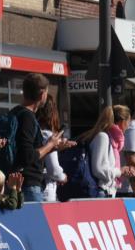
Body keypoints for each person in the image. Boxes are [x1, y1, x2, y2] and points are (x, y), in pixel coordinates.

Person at [12, 73, 72, 202]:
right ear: (42, 94)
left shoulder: (14, 112)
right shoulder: (28, 117)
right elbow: (28, 156)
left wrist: (53, 148)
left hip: (16, 181)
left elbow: (25, 150)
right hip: (28, 184)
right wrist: (50, 144)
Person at [79, 107, 121, 198]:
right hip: (100, 192)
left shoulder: (108, 139)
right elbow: (99, 169)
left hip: (104, 191)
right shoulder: (103, 137)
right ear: (122, 122)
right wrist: (119, 171)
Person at [36, 95, 67, 202]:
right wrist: (63, 177)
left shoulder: (33, 132)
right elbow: (53, 170)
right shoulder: (48, 135)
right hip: (45, 189)